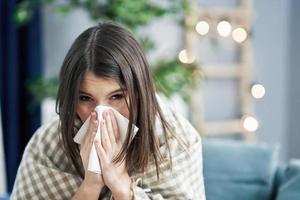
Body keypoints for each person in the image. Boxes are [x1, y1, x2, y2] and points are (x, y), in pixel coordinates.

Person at [11, 21, 206, 200]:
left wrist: (121, 187)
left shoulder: (175, 138)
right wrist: (90, 185)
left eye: (117, 97)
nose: (101, 114)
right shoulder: (48, 145)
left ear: (139, 92)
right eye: (85, 98)